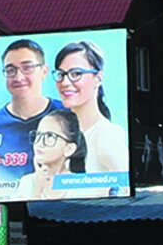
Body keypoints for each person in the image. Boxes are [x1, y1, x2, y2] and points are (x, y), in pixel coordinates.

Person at [0, 38, 62, 169]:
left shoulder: (67, 114)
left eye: (27, 68)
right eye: (10, 70)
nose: (18, 77)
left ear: (44, 71)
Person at [53, 39, 130, 174]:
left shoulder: (106, 135)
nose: (65, 82)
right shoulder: (62, 135)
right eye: (61, 74)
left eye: (76, 74)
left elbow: (123, 184)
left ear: (98, 78)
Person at [19, 108, 86, 198]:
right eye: (38, 134)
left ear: (69, 149)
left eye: (49, 136)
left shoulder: (81, 185)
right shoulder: (27, 182)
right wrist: (37, 189)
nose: (39, 143)